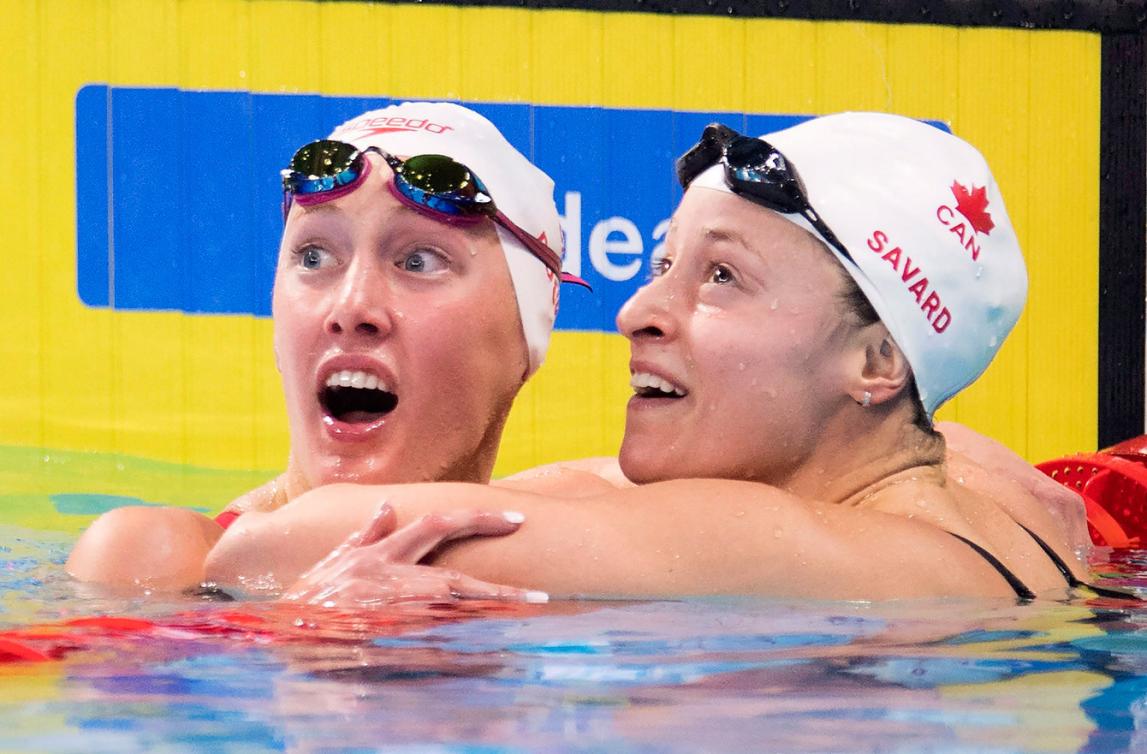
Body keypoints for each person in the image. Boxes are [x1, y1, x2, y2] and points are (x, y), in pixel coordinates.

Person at [207, 112, 1103, 602]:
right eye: (662, 263)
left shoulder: (783, 543)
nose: (638, 311)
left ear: (877, 362)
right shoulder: (980, 490)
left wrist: (243, 545)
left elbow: (281, 549)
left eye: (719, 276)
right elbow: (599, 493)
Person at [66, 101, 582, 594]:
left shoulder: (580, 538)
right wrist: (305, 624)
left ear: (528, 333)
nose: (351, 308)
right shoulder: (163, 562)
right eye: (314, 257)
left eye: (419, 261)